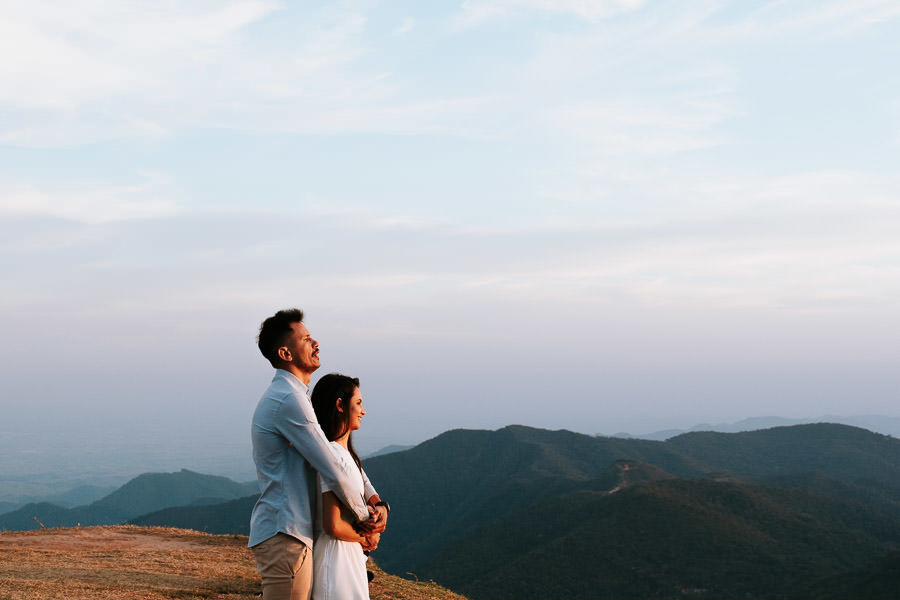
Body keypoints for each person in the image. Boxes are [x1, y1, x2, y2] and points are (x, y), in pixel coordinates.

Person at [249, 309, 388, 600]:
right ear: (286, 352)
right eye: (307, 339)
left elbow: (338, 455)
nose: (316, 343)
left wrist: (376, 501)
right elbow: (333, 466)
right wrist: (366, 521)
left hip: (291, 532)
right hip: (286, 533)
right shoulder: (289, 399)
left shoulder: (294, 397)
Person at [310, 373, 388, 600]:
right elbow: (332, 525)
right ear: (340, 405)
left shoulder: (345, 456)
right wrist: (367, 538)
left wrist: (381, 508)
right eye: (358, 403)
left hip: (348, 556)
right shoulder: (333, 456)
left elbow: (366, 488)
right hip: (336, 560)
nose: (363, 411)